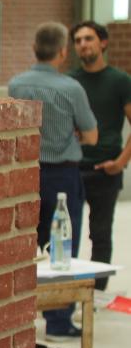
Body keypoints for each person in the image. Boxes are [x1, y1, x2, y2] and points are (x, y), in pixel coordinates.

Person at [8, 22, 98, 341]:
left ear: (34, 49)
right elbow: (91, 134)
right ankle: (58, 320)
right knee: (61, 244)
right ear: (63, 51)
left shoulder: (16, 85)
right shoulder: (71, 88)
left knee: (23, 243)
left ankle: (16, 315)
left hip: (26, 172)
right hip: (62, 173)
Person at [70, 20, 131, 292]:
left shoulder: (120, 81)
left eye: (89, 38)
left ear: (102, 43)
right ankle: (67, 292)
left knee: (101, 234)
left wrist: (121, 162)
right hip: (72, 167)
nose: (83, 44)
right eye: (78, 40)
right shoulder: (70, 82)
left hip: (106, 169)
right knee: (66, 233)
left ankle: (96, 294)